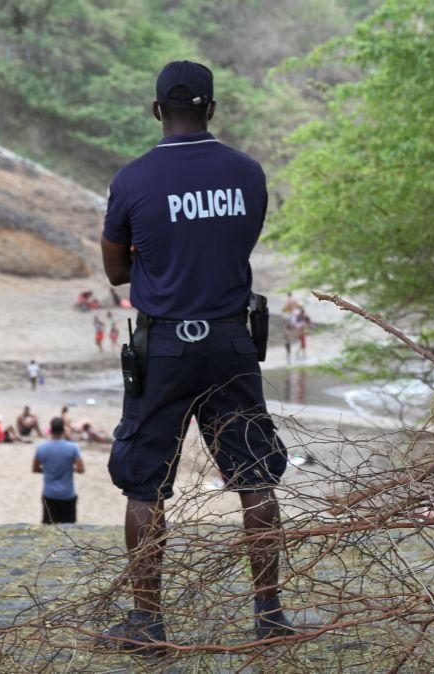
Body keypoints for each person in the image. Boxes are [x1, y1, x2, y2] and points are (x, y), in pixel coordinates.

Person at [98, 60, 292, 652]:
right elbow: (239, 243)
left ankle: (148, 624)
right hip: (232, 341)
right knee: (255, 478)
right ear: (212, 109)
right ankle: (269, 618)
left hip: (165, 348)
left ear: (156, 110)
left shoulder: (132, 179)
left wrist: (158, 266)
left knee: (146, 484)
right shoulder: (247, 173)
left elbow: (115, 272)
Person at [33, 417, 85, 524]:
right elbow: (81, 469)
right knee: (68, 530)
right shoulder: (73, 448)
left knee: (49, 529)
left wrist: (47, 470)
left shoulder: (41, 448)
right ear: (63, 429)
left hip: (49, 494)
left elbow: (35, 468)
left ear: (50, 430)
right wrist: (69, 468)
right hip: (67, 494)